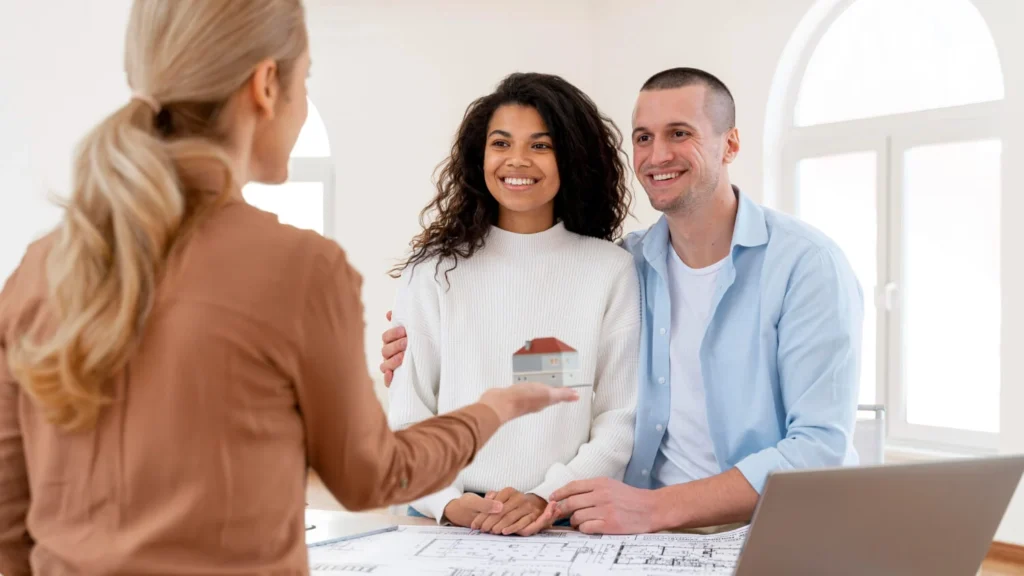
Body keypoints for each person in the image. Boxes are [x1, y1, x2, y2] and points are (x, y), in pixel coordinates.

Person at [0, 2, 577, 574]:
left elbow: (8, 513)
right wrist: (489, 411)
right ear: (266, 86)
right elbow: (372, 476)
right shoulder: (303, 268)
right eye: (306, 81)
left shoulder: (42, 263)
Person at [380, 67, 864, 535]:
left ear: (730, 143)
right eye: (644, 137)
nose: (658, 155)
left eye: (680, 133)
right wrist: (449, 496)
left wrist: (604, 503)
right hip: (615, 526)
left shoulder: (803, 265)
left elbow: (818, 448)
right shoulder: (637, 261)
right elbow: (432, 404)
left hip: (749, 527)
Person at [385, 72, 641, 537]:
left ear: (572, 158)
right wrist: (453, 504)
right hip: (445, 522)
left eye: (541, 146)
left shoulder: (610, 270)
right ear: (479, 156)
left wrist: (546, 496)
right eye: (501, 143)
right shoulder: (434, 271)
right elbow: (407, 418)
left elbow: (619, 417)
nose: (517, 160)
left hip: (564, 520)